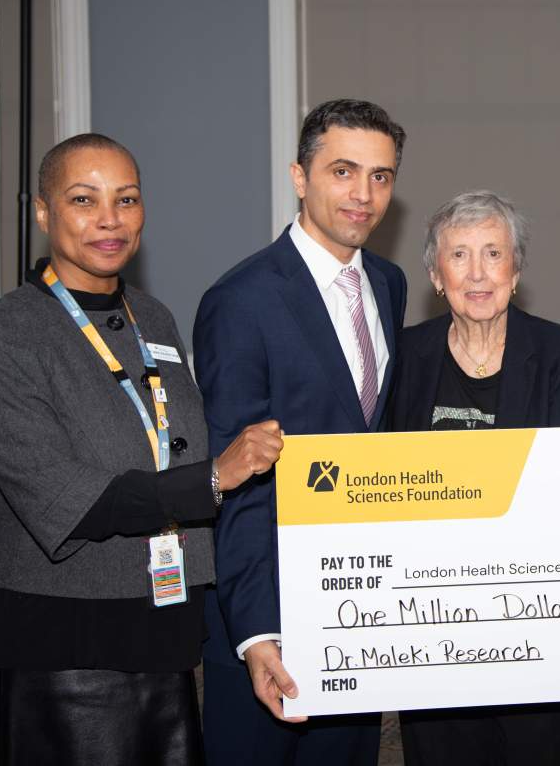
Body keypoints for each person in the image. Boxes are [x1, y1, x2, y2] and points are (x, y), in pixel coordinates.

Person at [0, 133, 284, 765]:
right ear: (44, 213)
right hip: (57, 643)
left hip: (158, 631)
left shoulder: (152, 318)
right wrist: (212, 479)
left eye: (126, 199)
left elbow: (168, 442)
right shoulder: (3, 335)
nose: (110, 219)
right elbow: (65, 498)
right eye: (84, 199)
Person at [194, 99, 408, 765]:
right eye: (343, 171)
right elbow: (238, 478)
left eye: (380, 176)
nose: (363, 193)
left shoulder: (390, 284)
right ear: (299, 176)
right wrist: (258, 631)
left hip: (359, 609)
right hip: (271, 616)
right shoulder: (241, 300)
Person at [387, 190, 560, 766]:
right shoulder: (402, 357)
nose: (477, 273)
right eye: (459, 255)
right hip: (431, 621)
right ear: (436, 275)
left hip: (538, 619)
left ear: (516, 270)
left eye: (493, 253)